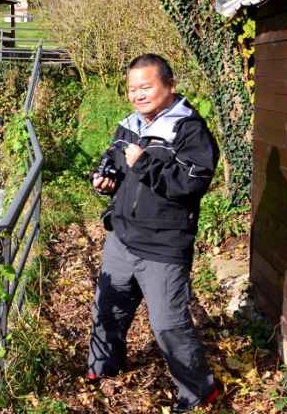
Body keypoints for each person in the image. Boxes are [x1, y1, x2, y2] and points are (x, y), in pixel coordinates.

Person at [87, 54, 221, 412]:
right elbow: (114, 163)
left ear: (169, 86)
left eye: (146, 87)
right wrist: (105, 180)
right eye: (132, 89)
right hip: (122, 236)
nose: (138, 95)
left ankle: (199, 392)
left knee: (168, 325)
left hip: (163, 243)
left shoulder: (189, 130)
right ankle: (102, 366)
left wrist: (143, 162)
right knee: (108, 309)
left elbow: (191, 184)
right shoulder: (129, 124)